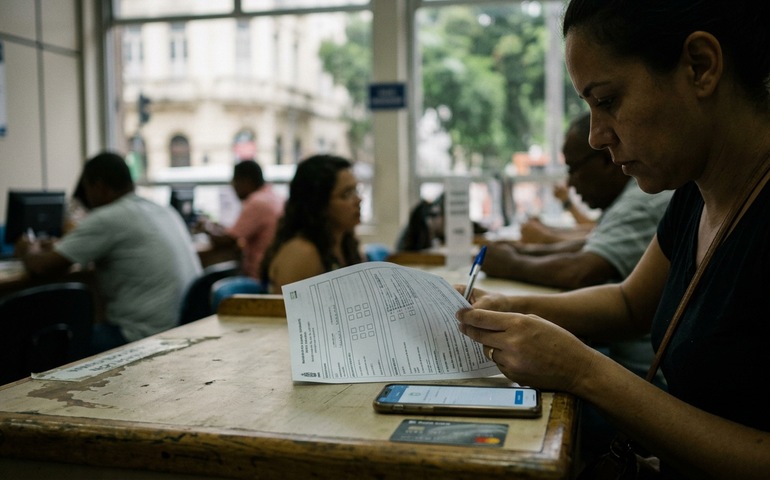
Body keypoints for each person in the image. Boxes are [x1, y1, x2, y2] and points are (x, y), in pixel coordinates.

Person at [455, 1, 770, 478]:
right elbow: (628, 304)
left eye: (607, 101)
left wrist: (581, 371)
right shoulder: (693, 194)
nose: (596, 138)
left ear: (700, 66)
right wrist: (510, 307)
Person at [15, 152, 202, 354]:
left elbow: (41, 266)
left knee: (51, 347)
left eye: (87, 189)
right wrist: (57, 245)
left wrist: (28, 247)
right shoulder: (161, 210)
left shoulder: (108, 217)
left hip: (141, 337)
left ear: (99, 187)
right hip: (185, 329)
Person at [483, 112, 673, 291]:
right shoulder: (629, 197)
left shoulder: (642, 201)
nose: (570, 182)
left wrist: (511, 264)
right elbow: (594, 243)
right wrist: (521, 252)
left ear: (607, 159)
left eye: (574, 168)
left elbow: (580, 272)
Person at [260, 154, 363, 293]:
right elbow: (285, 312)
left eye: (356, 191)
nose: (358, 200)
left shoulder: (345, 244)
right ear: (319, 204)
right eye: (347, 194)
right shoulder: (301, 252)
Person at [199, 160, 284, 278]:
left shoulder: (256, 202)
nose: (233, 187)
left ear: (246, 181)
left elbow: (227, 241)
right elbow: (236, 233)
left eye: (235, 181)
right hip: (273, 273)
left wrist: (205, 228)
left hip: (259, 278)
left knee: (210, 284)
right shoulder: (273, 196)